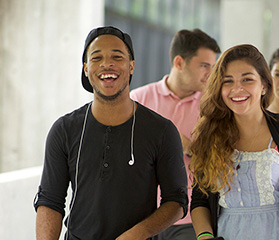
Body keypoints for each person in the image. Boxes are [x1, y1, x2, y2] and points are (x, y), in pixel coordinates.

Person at [33, 26, 188, 240]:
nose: (107, 64)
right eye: (97, 58)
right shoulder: (63, 130)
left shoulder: (162, 130)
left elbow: (177, 201)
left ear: (131, 65)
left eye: (117, 56)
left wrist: (138, 233)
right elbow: (50, 200)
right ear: (86, 68)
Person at [189, 44, 279, 240]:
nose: (237, 89)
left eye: (247, 79)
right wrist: (205, 236)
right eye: (227, 81)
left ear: (264, 85)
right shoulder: (210, 134)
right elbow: (199, 201)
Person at [130, 29, 220, 240]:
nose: (210, 73)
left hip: (188, 218)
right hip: (141, 217)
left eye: (213, 67)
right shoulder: (138, 99)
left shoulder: (212, 108)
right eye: (204, 66)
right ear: (179, 63)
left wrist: (185, 145)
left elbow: (216, 162)